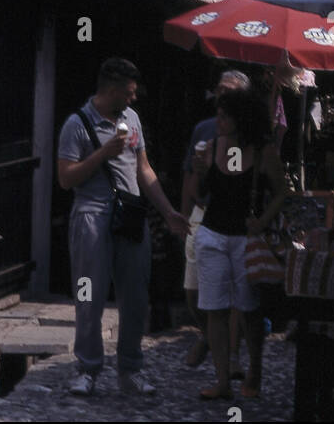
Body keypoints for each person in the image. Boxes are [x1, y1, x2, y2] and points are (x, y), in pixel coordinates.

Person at [56, 57, 189, 397]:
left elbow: (143, 170)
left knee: (136, 298)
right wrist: (102, 153)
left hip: (130, 216)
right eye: (128, 93)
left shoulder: (132, 119)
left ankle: (130, 370)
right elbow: (65, 178)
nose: (133, 99)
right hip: (92, 216)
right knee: (90, 297)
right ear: (111, 91)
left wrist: (169, 211)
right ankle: (87, 369)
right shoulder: (77, 123)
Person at [191, 88, 289, 400]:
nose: (217, 121)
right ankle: (222, 381)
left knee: (249, 309)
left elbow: (282, 192)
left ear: (241, 119)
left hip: (246, 241)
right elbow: (199, 194)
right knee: (215, 308)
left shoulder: (263, 151)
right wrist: (200, 170)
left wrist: (262, 220)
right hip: (213, 234)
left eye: (224, 116)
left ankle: (255, 370)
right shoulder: (212, 146)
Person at [180, 70, 250, 367]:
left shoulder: (250, 133)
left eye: (230, 91)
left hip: (231, 219)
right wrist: (181, 216)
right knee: (193, 291)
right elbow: (189, 176)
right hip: (201, 214)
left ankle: (230, 355)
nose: (222, 95)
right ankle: (209, 335)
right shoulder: (204, 129)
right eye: (220, 89)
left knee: (230, 293)